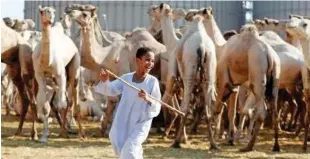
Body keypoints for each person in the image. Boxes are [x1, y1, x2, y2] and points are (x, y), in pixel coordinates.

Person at [94, 47, 161, 159]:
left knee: (130, 148)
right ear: (138, 60)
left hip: (141, 123)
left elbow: (157, 103)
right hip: (125, 120)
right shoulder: (127, 78)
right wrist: (105, 80)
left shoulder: (152, 82)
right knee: (126, 148)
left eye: (153, 61)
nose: (150, 63)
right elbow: (111, 89)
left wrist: (147, 98)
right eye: (147, 60)